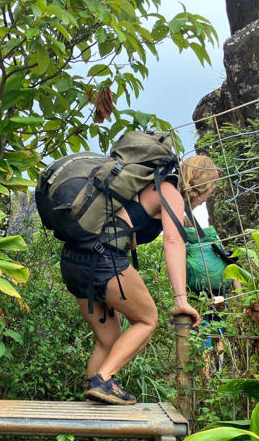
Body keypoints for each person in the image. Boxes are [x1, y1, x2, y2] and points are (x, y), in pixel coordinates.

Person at [59, 154, 220, 405]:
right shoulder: (170, 192)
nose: (202, 203)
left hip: (73, 258)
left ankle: (92, 416)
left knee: (108, 341)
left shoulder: (142, 185)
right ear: (202, 187)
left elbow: (128, 228)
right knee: (146, 320)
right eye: (207, 196)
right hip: (103, 259)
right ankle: (104, 379)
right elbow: (174, 241)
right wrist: (181, 300)